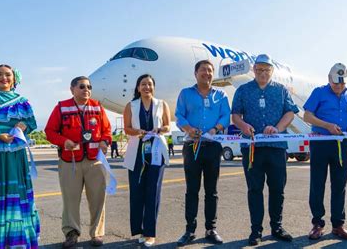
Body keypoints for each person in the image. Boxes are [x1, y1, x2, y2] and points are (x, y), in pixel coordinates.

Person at [232, 54, 299, 246]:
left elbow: (290, 112)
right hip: (252, 148)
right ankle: (256, 230)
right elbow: (235, 115)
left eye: (266, 70)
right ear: (254, 70)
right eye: (259, 69)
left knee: (277, 189)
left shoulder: (281, 90)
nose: (263, 73)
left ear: (272, 71)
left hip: (276, 147)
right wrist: (243, 126)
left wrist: (277, 128)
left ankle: (277, 227)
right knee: (255, 189)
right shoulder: (243, 90)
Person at [45, 76, 111, 248]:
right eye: (82, 86)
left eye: (89, 86)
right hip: (70, 161)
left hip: (95, 161)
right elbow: (50, 131)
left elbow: (107, 130)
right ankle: (71, 233)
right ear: (72, 89)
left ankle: (97, 233)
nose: (86, 89)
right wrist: (63, 141)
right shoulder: (61, 107)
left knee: (98, 199)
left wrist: (105, 141)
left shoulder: (97, 107)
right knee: (70, 200)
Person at [0, 64, 40, 248]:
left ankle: (15, 241)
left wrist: (23, 126)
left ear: (15, 79)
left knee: (16, 194)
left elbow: (32, 122)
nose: (4, 78)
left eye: (8, 75)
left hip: (15, 155)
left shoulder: (22, 101)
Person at [303, 63, 347, 240]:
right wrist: (326, 125)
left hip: (342, 145)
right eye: (336, 82)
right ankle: (317, 224)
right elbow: (307, 115)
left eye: (342, 83)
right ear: (329, 79)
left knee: (339, 185)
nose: (339, 86)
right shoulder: (319, 92)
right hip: (320, 143)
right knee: (317, 184)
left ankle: (338, 225)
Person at [175, 59, 230, 246]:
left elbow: (226, 116)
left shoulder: (221, 95)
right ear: (195, 73)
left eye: (210, 70)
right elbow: (179, 116)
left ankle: (210, 229)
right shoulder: (185, 94)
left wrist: (215, 129)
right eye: (203, 70)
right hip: (192, 147)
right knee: (192, 190)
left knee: (211, 191)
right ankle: (189, 230)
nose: (206, 73)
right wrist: (189, 128)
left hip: (213, 147)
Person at [123, 74, 171, 247]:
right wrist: (138, 132)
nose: (146, 87)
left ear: (153, 87)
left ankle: (150, 233)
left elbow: (167, 126)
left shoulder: (161, 104)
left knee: (153, 192)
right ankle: (139, 230)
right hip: (136, 152)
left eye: (150, 84)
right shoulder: (131, 105)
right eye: (143, 84)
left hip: (156, 152)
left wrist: (159, 129)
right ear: (138, 87)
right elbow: (127, 128)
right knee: (137, 192)